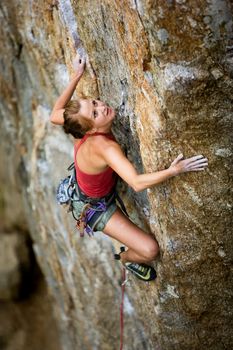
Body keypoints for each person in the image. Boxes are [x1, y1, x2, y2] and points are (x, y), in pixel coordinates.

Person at [50, 54, 208, 282]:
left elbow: (55, 114)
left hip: (89, 187)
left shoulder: (76, 124)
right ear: (90, 131)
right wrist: (174, 170)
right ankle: (126, 259)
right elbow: (135, 182)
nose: (101, 107)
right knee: (150, 250)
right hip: (97, 208)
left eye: (94, 102)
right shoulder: (105, 148)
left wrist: (76, 76)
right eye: (94, 114)